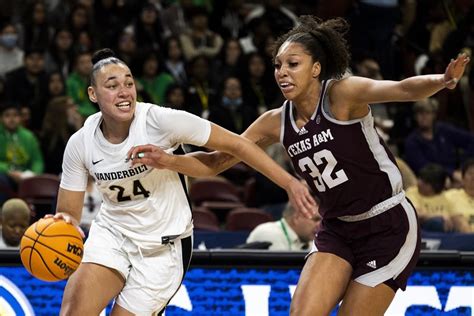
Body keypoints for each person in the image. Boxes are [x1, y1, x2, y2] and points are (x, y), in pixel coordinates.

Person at [129, 16, 470, 315]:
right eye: (278, 65)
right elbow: (216, 162)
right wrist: (168, 160)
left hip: (388, 225)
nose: (282, 72)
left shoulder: (341, 94)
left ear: (316, 68)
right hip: (337, 227)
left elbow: (400, 89)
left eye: (292, 64)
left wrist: (441, 81)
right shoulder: (274, 122)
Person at [48, 48, 314, 316]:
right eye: (112, 85)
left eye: (129, 83)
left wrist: (290, 183)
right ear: (93, 94)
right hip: (113, 234)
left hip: (164, 247)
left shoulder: (160, 121)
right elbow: (68, 212)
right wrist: (62, 223)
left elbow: (238, 145)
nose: (124, 92)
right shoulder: (80, 142)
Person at [406, 163, 469, 232]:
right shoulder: (412, 192)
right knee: (437, 222)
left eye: (425, 182)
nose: (419, 183)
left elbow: (455, 216)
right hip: (422, 231)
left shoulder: (446, 197)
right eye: (420, 179)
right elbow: (416, 213)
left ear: (435, 185)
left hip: (446, 232)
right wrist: (439, 215)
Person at [246, 201, 321, 251]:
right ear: (296, 218)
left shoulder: (310, 241)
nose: (320, 225)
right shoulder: (268, 232)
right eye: (316, 220)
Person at [445, 158, 474, 232]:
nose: (473, 177)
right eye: (470, 173)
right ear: (463, 178)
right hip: (462, 238)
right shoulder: (450, 195)